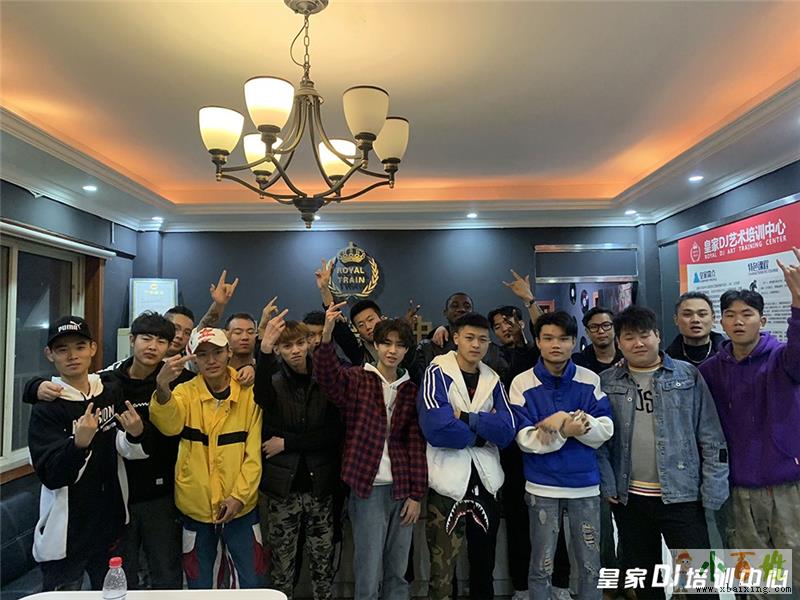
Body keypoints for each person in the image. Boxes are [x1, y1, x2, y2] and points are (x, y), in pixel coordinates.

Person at [599, 306, 729, 600]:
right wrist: (608, 484)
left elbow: (711, 436)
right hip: (630, 499)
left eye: (644, 335)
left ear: (657, 335)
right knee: (645, 583)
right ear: (619, 342)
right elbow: (600, 444)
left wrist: (712, 488)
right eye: (629, 337)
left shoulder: (687, 375)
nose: (638, 343)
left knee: (699, 585)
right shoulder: (607, 381)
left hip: (683, 497)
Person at [698, 249, 800, 594]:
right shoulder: (709, 371)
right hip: (738, 488)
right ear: (721, 322)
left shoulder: (782, 360)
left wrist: (798, 304)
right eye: (730, 315)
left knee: (795, 570)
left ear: (763, 320)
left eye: (747, 314)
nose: (738, 321)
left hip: (786, 484)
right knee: (755, 578)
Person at [313, 303, 427, 600]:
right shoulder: (356, 378)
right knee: (368, 569)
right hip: (367, 487)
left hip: (402, 489)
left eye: (399, 345)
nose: (392, 350)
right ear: (375, 345)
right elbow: (326, 376)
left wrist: (416, 494)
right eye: (386, 343)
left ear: (406, 350)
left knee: (398, 570)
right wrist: (327, 333)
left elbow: (416, 443)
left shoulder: (411, 389)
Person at [27, 316, 147, 591]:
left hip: (111, 525)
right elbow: (51, 475)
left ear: (93, 348)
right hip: (66, 535)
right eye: (62, 349)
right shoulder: (46, 407)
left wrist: (136, 433)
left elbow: (125, 447)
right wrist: (78, 445)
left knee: (116, 594)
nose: (73, 356)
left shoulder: (109, 389)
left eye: (80, 347)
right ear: (49, 354)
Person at [508, 311, 613, 600]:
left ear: (574, 342)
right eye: (548, 338)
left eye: (564, 339)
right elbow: (526, 439)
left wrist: (564, 419)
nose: (556, 345)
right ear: (538, 342)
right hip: (541, 486)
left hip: (585, 486)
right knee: (541, 566)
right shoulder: (522, 383)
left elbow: (605, 429)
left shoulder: (590, 379)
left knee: (591, 566)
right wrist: (567, 430)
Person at [150, 327, 265, 589]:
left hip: (241, 509)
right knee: (199, 584)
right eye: (202, 355)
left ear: (229, 353)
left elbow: (253, 455)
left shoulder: (248, 393)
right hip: (196, 508)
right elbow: (168, 425)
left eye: (217, 352)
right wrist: (162, 386)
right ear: (193, 358)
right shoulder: (185, 392)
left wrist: (239, 497)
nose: (211, 360)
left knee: (250, 582)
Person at [417, 312, 516, 600]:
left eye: (483, 339)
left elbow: (507, 431)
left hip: (486, 483)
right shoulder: (437, 372)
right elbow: (437, 429)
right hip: (447, 485)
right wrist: (483, 434)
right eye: (469, 338)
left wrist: (464, 417)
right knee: (442, 571)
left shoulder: (493, 378)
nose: (476, 345)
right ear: (456, 338)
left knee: (484, 566)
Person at [255, 311, 342, 600]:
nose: (295, 350)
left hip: (320, 485)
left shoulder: (325, 379)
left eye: (300, 343)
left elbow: (332, 434)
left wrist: (288, 443)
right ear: (279, 349)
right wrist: (264, 349)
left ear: (309, 343)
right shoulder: (273, 381)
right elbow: (261, 399)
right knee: (282, 565)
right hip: (283, 488)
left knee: (323, 562)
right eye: (287, 345)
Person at [414, 293, 508, 384]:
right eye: (455, 306)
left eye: (467, 307)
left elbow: (507, 382)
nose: (461, 309)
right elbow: (417, 379)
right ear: (445, 312)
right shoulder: (428, 347)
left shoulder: (493, 351)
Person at [665, 291, 725, 365]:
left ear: (713, 319)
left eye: (702, 314)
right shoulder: (666, 360)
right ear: (676, 320)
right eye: (687, 314)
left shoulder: (729, 355)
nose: (695, 320)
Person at [572, 307, 623, 374]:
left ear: (615, 328)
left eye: (606, 325)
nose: (601, 331)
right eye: (594, 327)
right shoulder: (577, 362)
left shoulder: (627, 357)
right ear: (587, 332)